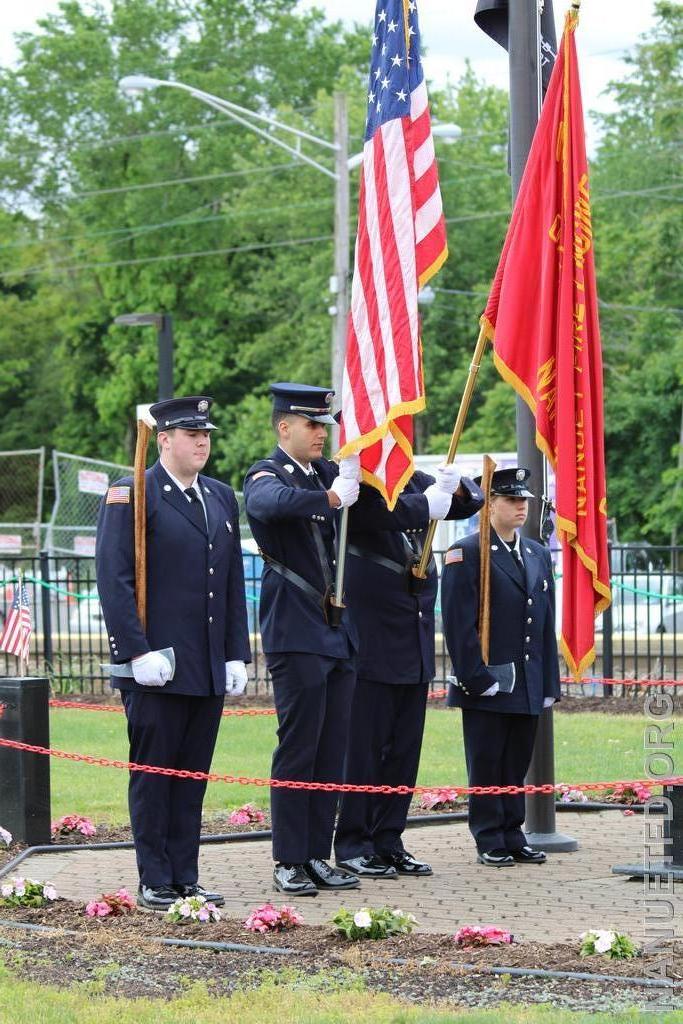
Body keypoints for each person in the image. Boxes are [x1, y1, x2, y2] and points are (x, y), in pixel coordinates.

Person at [96, 396, 251, 910]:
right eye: (190, 434)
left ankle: (186, 875)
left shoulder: (220, 496)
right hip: (156, 666)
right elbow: (115, 580)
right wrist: (135, 651)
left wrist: (235, 653)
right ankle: (155, 877)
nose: (202, 442)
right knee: (155, 774)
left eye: (206, 433)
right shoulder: (133, 494)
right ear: (163, 440)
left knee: (191, 779)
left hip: (204, 666)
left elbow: (229, 583)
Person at [333, 465, 484, 878]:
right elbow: (384, 514)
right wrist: (427, 502)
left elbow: (471, 502)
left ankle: (388, 839)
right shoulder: (352, 487)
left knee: (402, 753)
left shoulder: (411, 482)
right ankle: (353, 842)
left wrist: (455, 485)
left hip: (412, 644)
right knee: (364, 753)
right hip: (371, 643)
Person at [243, 383, 361, 897]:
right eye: (311, 425)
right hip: (296, 628)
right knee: (299, 748)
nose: (321, 433)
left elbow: (379, 509)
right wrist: (331, 498)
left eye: (325, 426)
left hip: (337, 632)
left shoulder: (329, 473)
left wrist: (441, 497)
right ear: (283, 427)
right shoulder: (267, 474)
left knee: (332, 749)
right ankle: (289, 858)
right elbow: (269, 505)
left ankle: (317, 852)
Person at [441, 467, 561, 867]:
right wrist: (476, 676)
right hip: (489, 680)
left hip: (526, 680)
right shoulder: (468, 552)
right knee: (488, 761)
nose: (520, 507)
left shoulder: (536, 554)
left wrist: (548, 681)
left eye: (524, 500)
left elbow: (544, 623)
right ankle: (489, 836)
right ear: (490, 505)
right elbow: (458, 624)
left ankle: (513, 831)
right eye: (511, 500)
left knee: (516, 761)